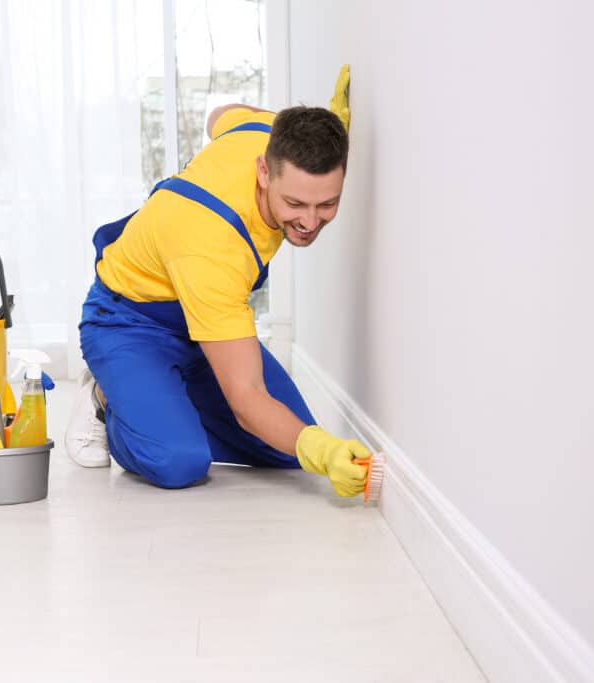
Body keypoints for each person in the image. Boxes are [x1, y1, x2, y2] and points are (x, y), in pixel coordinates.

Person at [64, 96, 372, 498]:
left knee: (286, 449)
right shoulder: (212, 248)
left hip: (200, 320)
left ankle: (161, 394)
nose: (310, 222)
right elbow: (247, 401)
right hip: (130, 322)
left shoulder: (262, 132)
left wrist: (333, 127)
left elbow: (218, 116)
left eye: (327, 203)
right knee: (179, 460)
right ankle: (107, 396)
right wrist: (325, 449)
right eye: (295, 203)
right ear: (264, 170)